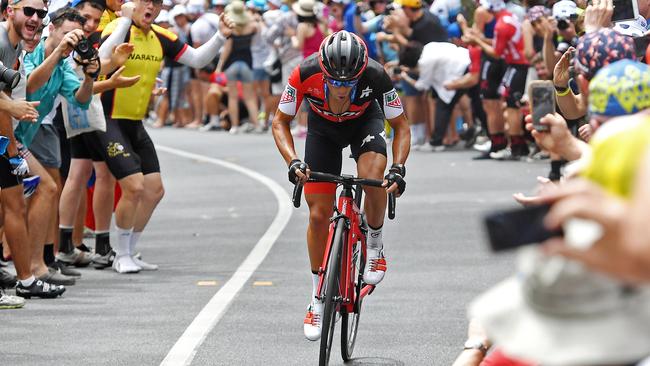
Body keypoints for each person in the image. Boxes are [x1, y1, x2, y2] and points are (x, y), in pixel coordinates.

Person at [271, 30, 410, 341]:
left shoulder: (376, 75)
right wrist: (293, 161)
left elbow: (401, 126)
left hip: (364, 123)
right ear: (323, 70)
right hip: (322, 131)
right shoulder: (303, 73)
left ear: (361, 73)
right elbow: (280, 121)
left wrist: (399, 168)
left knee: (375, 175)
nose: (341, 88)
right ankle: (317, 298)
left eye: (348, 82)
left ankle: (374, 242)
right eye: (334, 81)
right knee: (319, 215)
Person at [95, 0, 233, 273]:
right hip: (107, 119)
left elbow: (196, 59)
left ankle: (130, 250)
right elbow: (102, 57)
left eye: (156, 3)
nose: (151, 7)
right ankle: (120, 253)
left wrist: (220, 36)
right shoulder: (116, 26)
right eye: (145, 1)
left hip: (135, 122)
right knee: (133, 186)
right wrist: (123, 21)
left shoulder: (161, 36)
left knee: (154, 190)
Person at [0, 0, 66, 301]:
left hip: (6, 137)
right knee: (17, 202)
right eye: (29, 11)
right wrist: (10, 109)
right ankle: (28, 276)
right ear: (9, 11)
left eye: (41, 13)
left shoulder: (16, 48)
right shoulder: (2, 40)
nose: (35, 18)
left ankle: (27, 277)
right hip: (8, 138)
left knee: (14, 203)